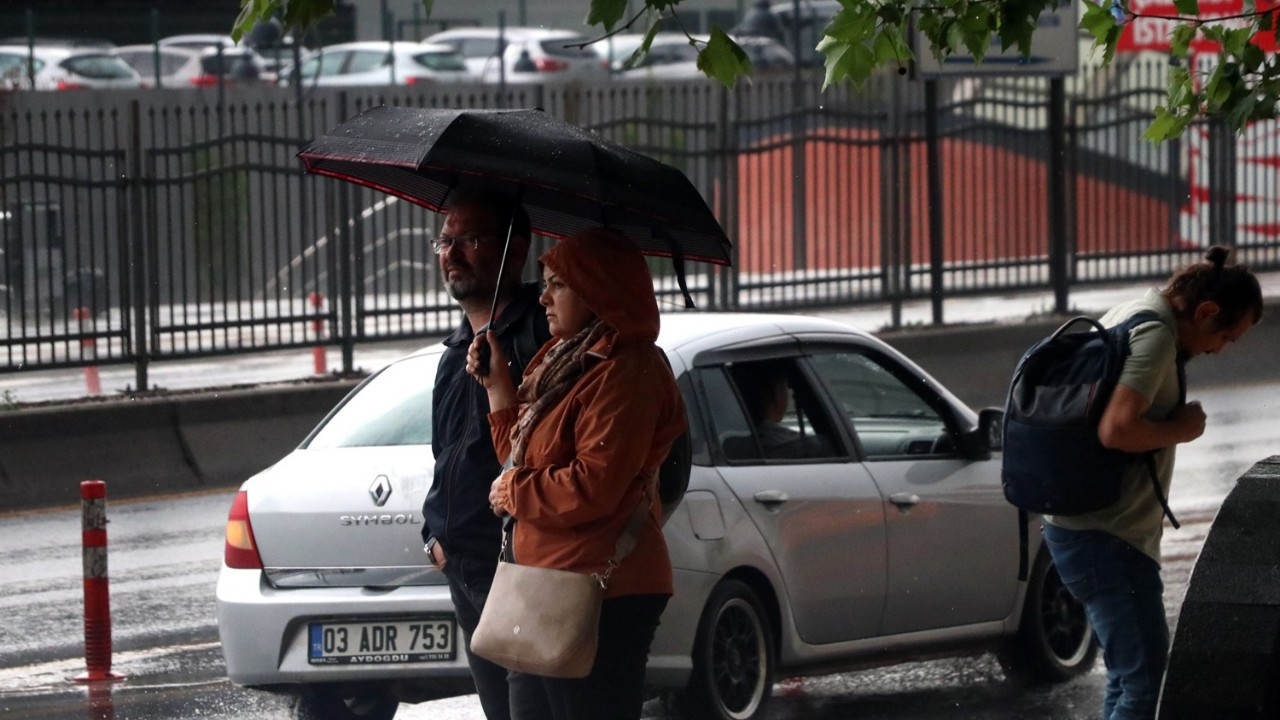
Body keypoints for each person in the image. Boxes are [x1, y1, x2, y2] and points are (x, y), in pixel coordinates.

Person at [466, 227, 686, 720]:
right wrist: (497, 385)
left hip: (601, 589)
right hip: (544, 583)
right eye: (544, 283)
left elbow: (594, 487)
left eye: (558, 284)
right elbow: (519, 460)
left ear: (598, 289)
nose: (542, 297)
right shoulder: (564, 363)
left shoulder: (626, 372)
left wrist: (514, 491)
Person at [1042, 245, 1263, 720]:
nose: (1220, 349)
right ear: (1206, 311)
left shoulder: (1135, 308)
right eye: (1227, 336)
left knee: (1130, 676)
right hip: (1106, 537)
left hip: (1092, 531)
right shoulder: (1156, 336)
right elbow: (1116, 429)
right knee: (1141, 682)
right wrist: (1183, 428)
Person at [421, 190, 551, 720]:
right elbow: (446, 458)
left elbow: (542, 451)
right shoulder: (454, 356)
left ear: (514, 251)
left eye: (470, 239)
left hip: (519, 569)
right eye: (444, 240)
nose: (451, 254)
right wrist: (434, 538)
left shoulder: (540, 336)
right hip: (464, 569)